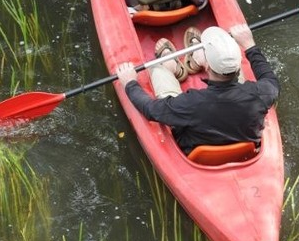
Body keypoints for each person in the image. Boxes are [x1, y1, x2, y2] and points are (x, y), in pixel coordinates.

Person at [115, 23, 279, 154]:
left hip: (194, 148)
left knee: (158, 67)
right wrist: (250, 45)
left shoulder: (189, 103)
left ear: (207, 66)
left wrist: (130, 83)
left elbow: (150, 109)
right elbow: (270, 79)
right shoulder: (262, 93)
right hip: (244, 148)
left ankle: (173, 66)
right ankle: (193, 61)